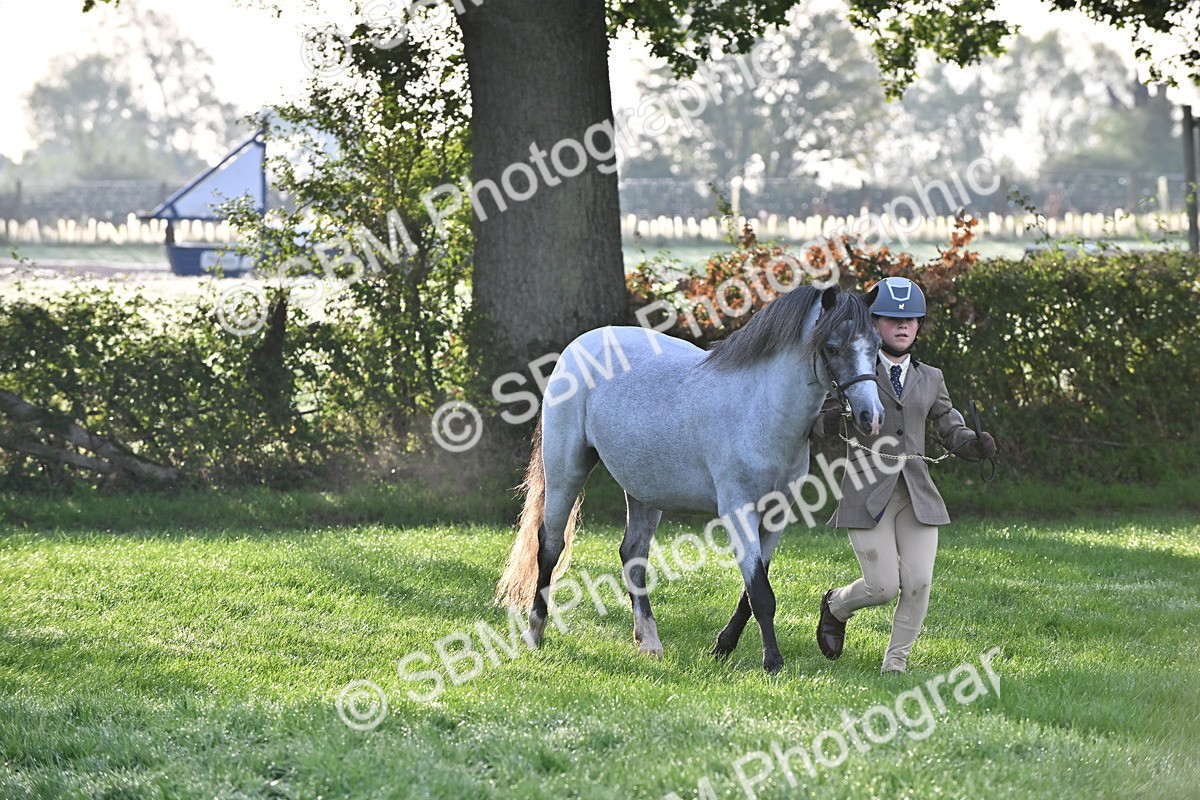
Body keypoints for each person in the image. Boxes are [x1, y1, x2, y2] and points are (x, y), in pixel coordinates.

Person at [810, 276, 996, 674]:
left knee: (919, 583)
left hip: (916, 493)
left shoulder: (932, 378)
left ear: (919, 325)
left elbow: (949, 423)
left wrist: (972, 444)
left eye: (911, 319)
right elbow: (815, 425)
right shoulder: (850, 372)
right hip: (865, 492)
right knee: (882, 586)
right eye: (891, 318)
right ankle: (836, 605)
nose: (902, 325)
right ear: (872, 323)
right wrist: (832, 416)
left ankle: (896, 664)